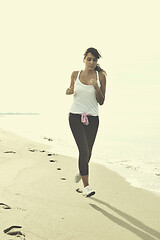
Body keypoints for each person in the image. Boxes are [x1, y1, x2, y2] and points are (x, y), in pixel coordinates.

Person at [66, 47, 106, 197]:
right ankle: (86, 186)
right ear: (84, 59)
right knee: (83, 150)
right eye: (89, 59)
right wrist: (69, 91)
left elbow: (101, 101)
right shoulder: (75, 74)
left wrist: (96, 86)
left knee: (88, 153)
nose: (91, 62)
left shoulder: (100, 76)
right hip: (76, 116)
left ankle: (81, 171)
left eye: (94, 60)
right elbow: (71, 89)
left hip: (93, 118)